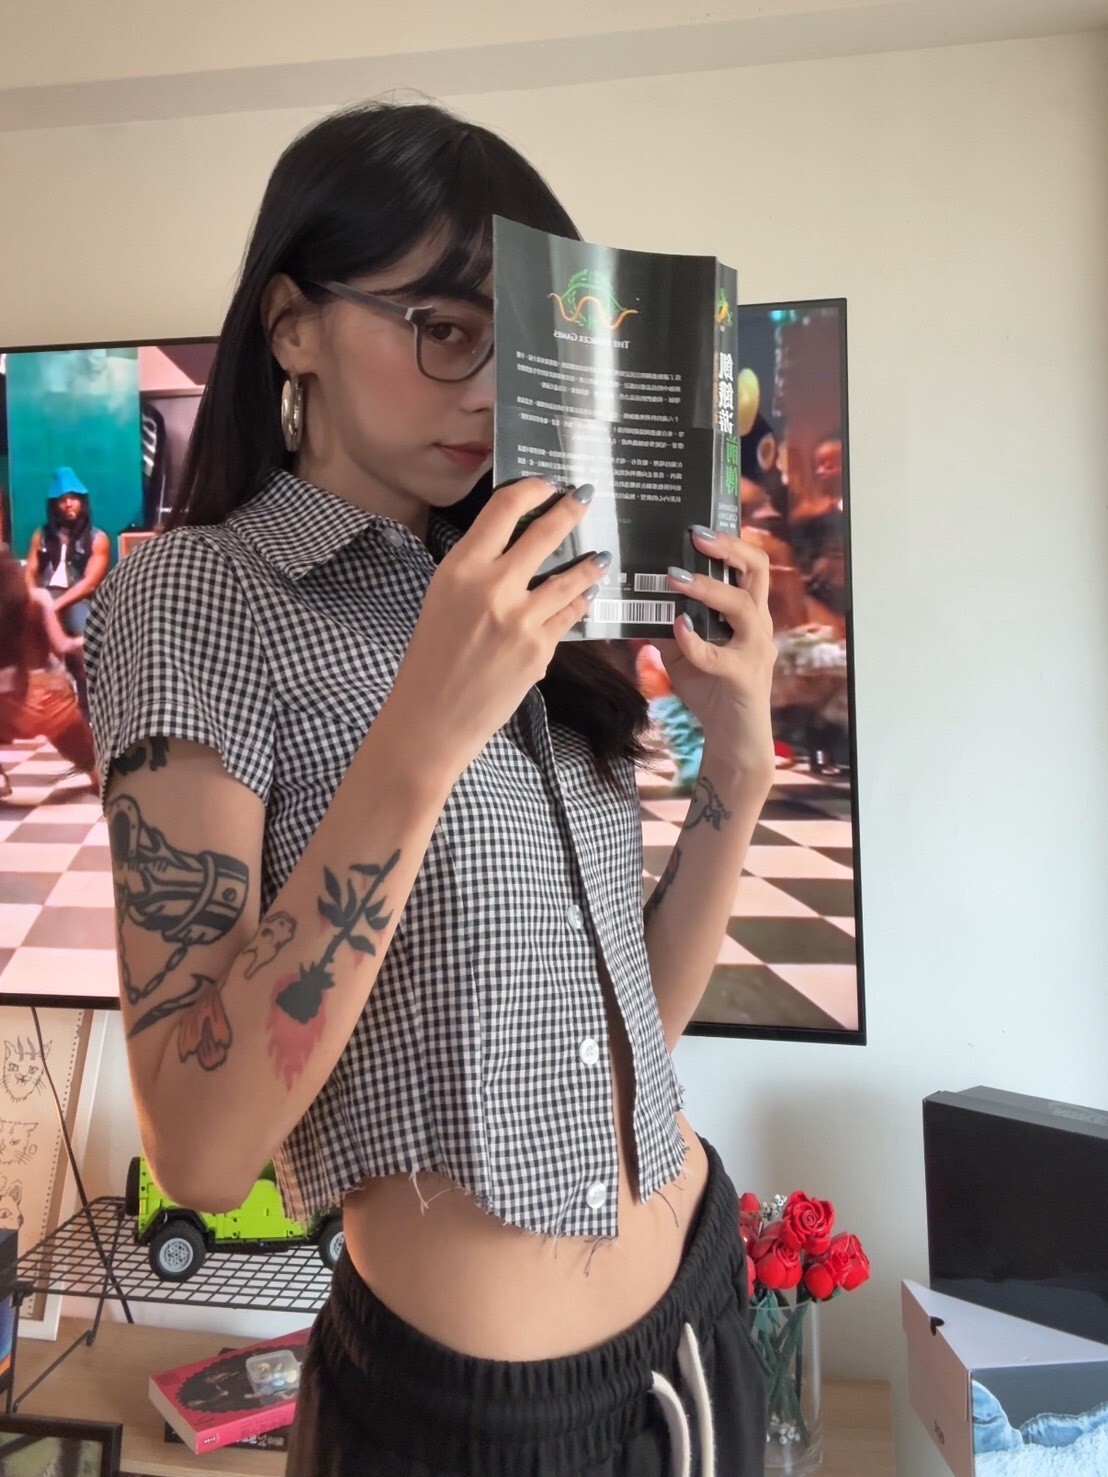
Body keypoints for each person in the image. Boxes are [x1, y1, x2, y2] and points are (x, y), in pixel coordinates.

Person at [84, 100, 777, 1476]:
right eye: (445, 329)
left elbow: (634, 1034)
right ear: (292, 324)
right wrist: (423, 732)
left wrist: (740, 767)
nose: (487, 388)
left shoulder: (528, 592)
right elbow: (203, 1150)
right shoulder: (203, 596)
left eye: (523, 349)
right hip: (471, 1418)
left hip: (700, 1311)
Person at [0, 545, 96, 790]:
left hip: (6, 704)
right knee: (90, 760)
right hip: (50, 698)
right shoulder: (39, 598)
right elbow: (63, 645)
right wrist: (94, 637)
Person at [25, 467, 110, 717]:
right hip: (46, 596)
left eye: (73, 498)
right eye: (62, 499)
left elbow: (89, 583)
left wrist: (54, 607)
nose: (68, 504)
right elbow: (30, 571)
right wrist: (34, 600)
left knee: (84, 648)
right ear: (54, 504)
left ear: (82, 501)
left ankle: (90, 713)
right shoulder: (42, 535)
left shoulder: (97, 538)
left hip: (76, 598)